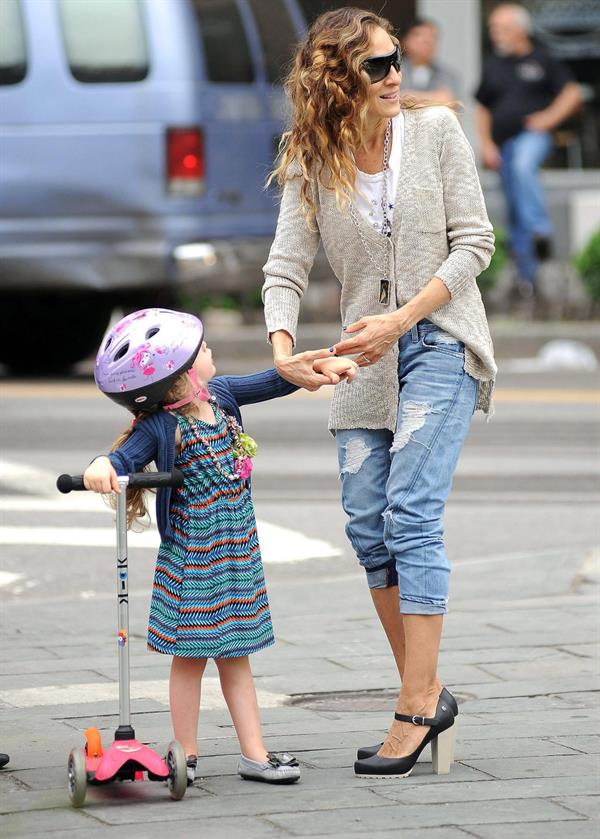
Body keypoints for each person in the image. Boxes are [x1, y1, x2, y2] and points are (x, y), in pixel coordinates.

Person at [262, 7, 496, 779]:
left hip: (439, 338)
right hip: (362, 360)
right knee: (368, 524)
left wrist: (402, 316)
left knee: (409, 513)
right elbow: (286, 266)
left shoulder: (434, 134)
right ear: (338, 77)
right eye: (376, 66)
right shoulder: (311, 156)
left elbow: (476, 243)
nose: (396, 75)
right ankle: (426, 689)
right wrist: (287, 352)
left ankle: (415, 705)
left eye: (397, 61)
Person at [83, 308, 356, 786]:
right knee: (189, 659)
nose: (209, 351)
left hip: (236, 555)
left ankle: (254, 754)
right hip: (192, 561)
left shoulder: (223, 395)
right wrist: (101, 466)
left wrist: (317, 371)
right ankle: (184, 755)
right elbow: (121, 457)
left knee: (237, 655)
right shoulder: (160, 427)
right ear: (180, 372)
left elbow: (273, 381)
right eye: (201, 349)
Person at [475, 2, 582, 296]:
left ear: (520, 30)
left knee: (523, 165)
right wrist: (485, 144)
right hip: (502, 147)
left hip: (532, 137)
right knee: (514, 207)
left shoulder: (542, 59)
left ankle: (541, 229)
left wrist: (549, 118)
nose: (495, 34)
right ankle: (528, 278)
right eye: (492, 28)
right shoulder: (494, 65)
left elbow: (572, 93)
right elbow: (482, 108)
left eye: (501, 28)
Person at [400, 17, 458, 104]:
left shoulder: (448, 75)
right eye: (418, 35)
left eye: (432, 36)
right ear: (405, 40)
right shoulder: (394, 70)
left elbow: (448, 101)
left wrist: (407, 96)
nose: (427, 41)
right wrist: (434, 98)